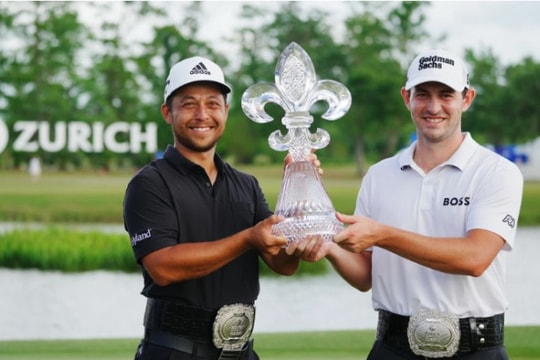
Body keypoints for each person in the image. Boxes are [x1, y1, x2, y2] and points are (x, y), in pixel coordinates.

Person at [288, 49, 523, 359]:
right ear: (406, 98)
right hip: (392, 347)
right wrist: (329, 245)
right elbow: (365, 276)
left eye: (446, 95)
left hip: (474, 349)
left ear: (467, 99)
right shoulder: (380, 175)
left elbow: (475, 258)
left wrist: (383, 235)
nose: (433, 107)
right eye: (422, 94)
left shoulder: (496, 172)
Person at [123, 56, 316, 360]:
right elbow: (163, 267)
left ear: (225, 111)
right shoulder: (150, 184)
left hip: (240, 351)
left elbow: (284, 265)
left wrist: (297, 195)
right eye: (188, 104)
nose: (202, 115)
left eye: (213, 104)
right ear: (167, 113)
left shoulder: (246, 184)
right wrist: (248, 238)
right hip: (173, 350)